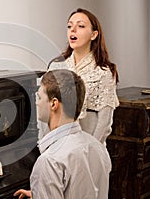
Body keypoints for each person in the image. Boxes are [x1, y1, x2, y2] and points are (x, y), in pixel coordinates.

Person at [13, 69, 111, 199]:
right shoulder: (98, 148)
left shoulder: (49, 161)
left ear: (54, 104)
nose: (36, 103)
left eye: (40, 97)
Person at [47, 8, 119, 144]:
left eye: (80, 26)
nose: (73, 30)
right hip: (58, 146)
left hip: (90, 147)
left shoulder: (103, 72)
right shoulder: (56, 67)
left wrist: (89, 150)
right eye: (69, 26)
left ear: (93, 34)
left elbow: (104, 123)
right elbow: (46, 113)